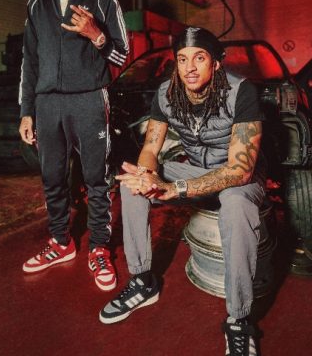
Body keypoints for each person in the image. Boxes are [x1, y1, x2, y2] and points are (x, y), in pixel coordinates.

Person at [100, 27, 266, 355]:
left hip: (239, 181)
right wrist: (147, 175)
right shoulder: (166, 94)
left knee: (235, 205)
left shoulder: (241, 91)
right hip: (194, 172)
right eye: (182, 59)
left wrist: (175, 188)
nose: (189, 67)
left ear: (215, 63)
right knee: (134, 182)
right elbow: (151, 148)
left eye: (199, 58)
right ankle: (143, 281)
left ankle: (239, 319)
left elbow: (240, 171)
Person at [18, 0, 129, 292]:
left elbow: (122, 55)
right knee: (52, 177)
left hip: (89, 99)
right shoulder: (38, 1)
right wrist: (26, 110)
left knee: (97, 179)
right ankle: (60, 242)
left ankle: (99, 248)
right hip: (47, 103)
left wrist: (96, 34)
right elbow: (29, 60)